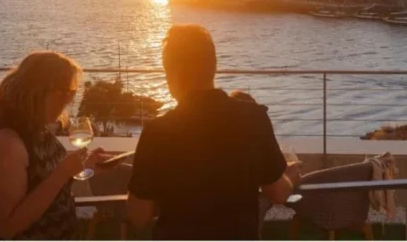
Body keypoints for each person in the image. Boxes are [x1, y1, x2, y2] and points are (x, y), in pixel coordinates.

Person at [127, 25, 301, 239]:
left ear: (171, 75)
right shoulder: (253, 118)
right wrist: (289, 177)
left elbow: (138, 216)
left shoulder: (157, 132)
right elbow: (278, 193)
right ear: (213, 66)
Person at [0, 52, 109, 240]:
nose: (68, 100)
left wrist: (87, 167)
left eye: (71, 93)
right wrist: (63, 173)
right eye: (62, 92)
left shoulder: (38, 132)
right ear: (35, 92)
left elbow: (43, 186)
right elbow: (7, 227)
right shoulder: (6, 144)